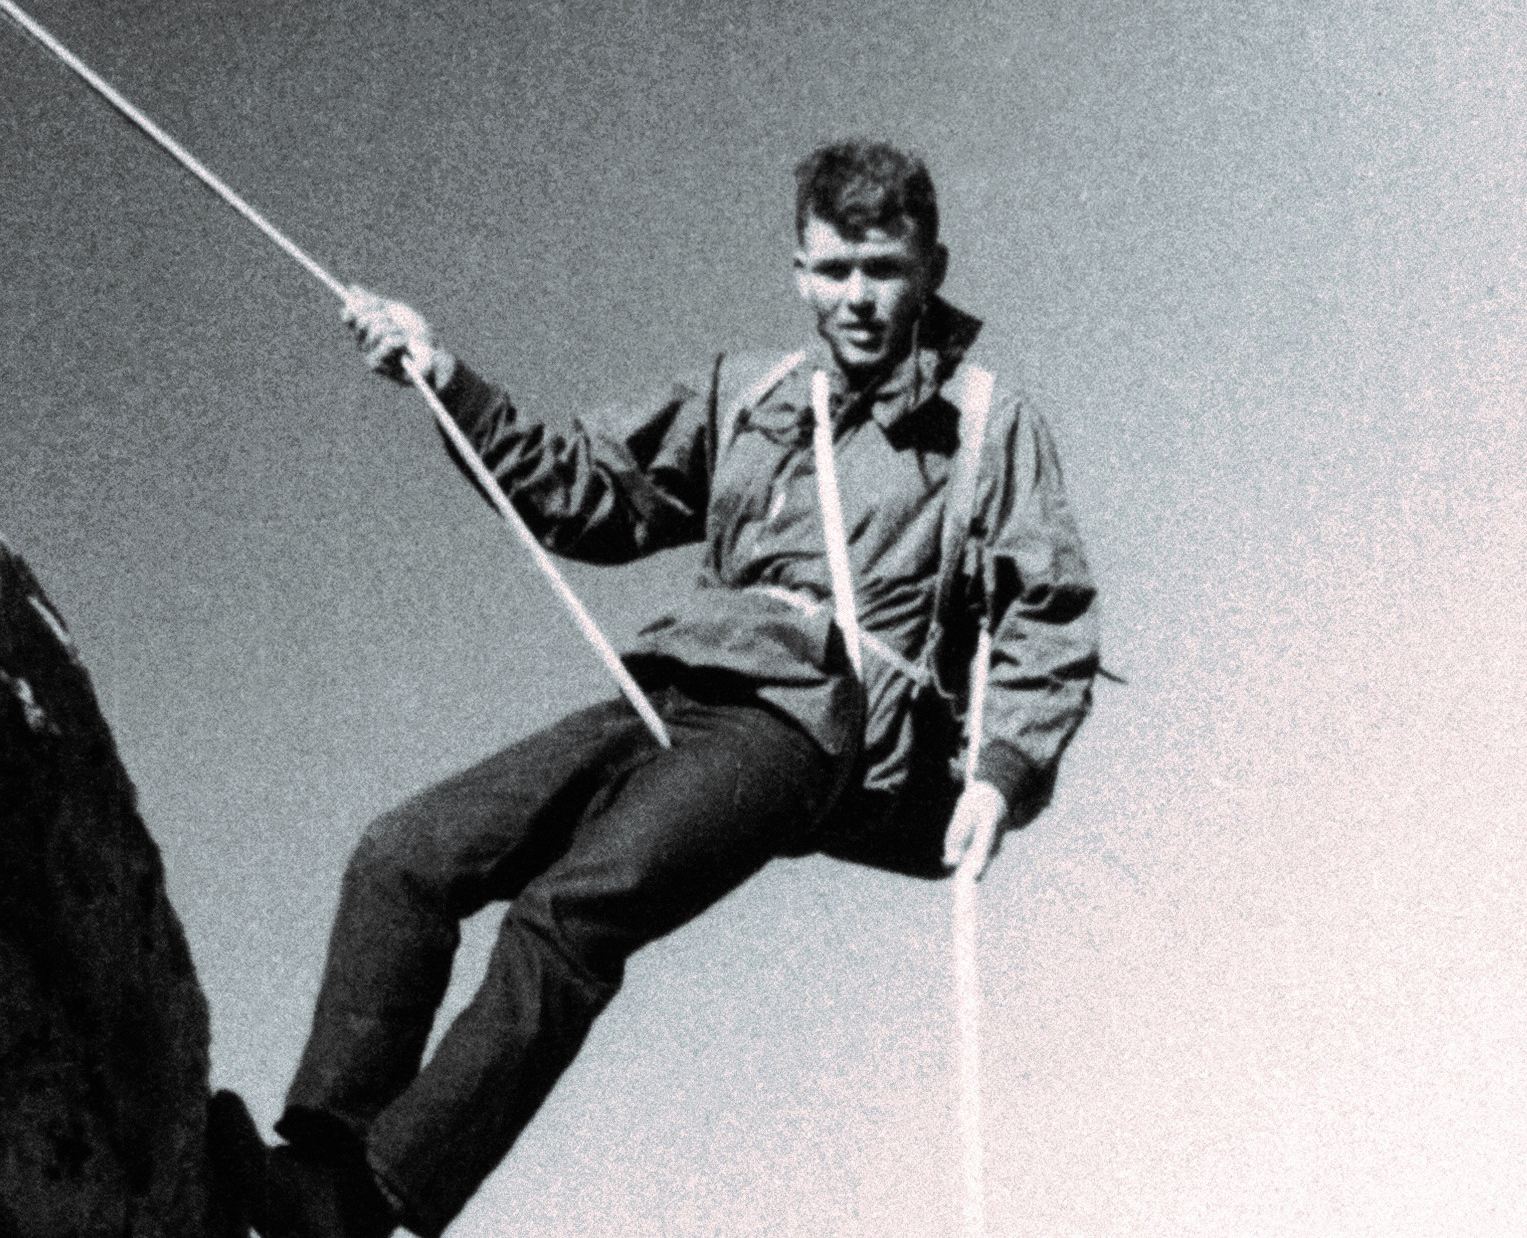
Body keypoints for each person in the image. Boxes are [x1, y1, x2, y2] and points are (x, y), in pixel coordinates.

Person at [210, 139, 1099, 1238]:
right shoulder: (748, 393)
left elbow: (1046, 606)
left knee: (571, 914)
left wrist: (1004, 773)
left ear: (931, 266)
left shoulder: (984, 425)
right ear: (798, 272)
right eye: (833, 270)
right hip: (669, 685)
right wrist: (445, 379)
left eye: (883, 267)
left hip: (806, 723)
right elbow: (588, 489)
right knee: (406, 852)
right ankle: (313, 1163)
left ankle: (360, 1204)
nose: (858, 298)